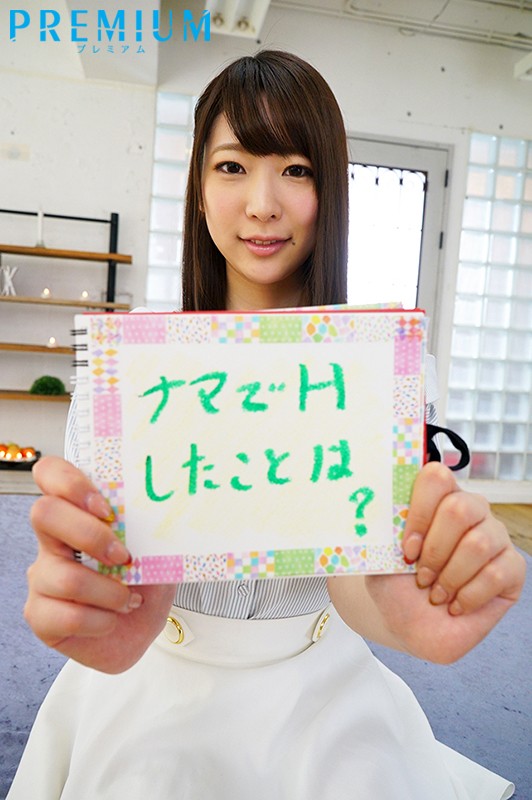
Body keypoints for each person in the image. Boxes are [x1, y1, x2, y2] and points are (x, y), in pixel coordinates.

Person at [8, 50, 525, 800]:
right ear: (198, 188)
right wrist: (92, 595)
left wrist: (402, 611)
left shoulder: (385, 367)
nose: (261, 204)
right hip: (153, 676)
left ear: (330, 191)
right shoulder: (127, 370)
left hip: (320, 684)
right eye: (232, 167)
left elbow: (356, 580)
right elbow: (106, 568)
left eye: (296, 169)